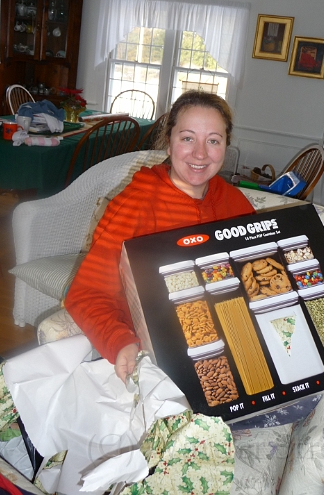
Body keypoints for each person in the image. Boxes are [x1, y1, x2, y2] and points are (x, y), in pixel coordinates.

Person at [65, 90, 255, 382]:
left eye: (213, 141)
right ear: (169, 142)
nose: (200, 153)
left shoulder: (236, 204)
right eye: (188, 138)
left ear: (226, 146)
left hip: (229, 341)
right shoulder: (135, 205)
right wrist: (120, 341)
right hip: (160, 350)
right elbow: (86, 294)